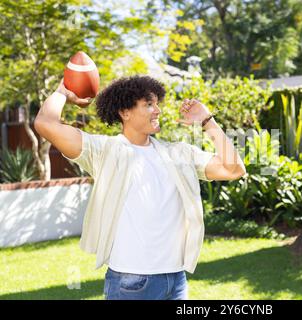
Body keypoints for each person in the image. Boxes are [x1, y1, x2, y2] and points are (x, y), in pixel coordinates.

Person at [34, 75, 246, 300]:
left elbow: (234, 169)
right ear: (125, 112)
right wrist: (62, 93)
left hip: (175, 279)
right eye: (148, 104)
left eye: (157, 104)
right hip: (131, 282)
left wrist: (207, 121)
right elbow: (45, 124)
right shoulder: (104, 150)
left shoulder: (178, 153)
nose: (157, 110)